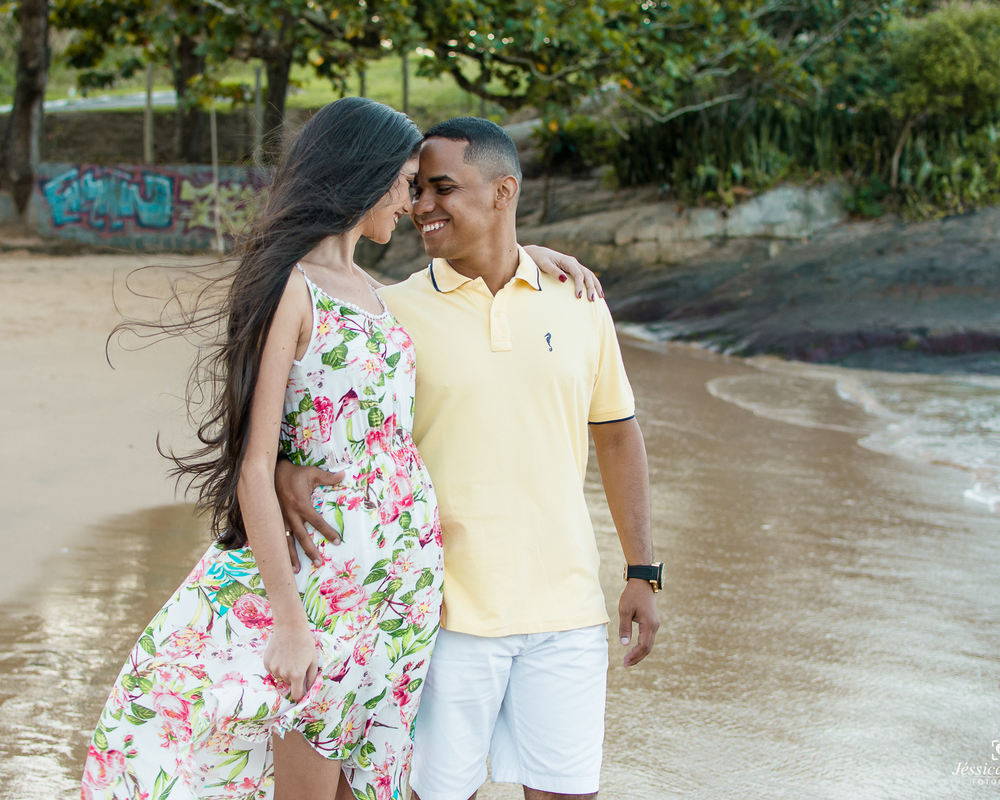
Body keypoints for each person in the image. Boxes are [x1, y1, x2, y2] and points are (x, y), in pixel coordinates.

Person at [81, 99, 600, 800]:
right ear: (367, 175)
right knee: (305, 777)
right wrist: (290, 621)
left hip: (404, 584)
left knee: (371, 780)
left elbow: (463, 308)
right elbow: (255, 468)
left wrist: (524, 257)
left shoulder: (388, 298)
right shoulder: (293, 289)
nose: (413, 203)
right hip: (331, 579)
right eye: (407, 182)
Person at [274, 117, 659, 800]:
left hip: (566, 611)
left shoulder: (579, 300)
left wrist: (642, 570)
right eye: (415, 189)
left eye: (442, 188)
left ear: (503, 190)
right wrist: (282, 468)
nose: (421, 204)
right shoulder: (390, 313)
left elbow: (618, 434)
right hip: (441, 613)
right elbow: (323, 415)